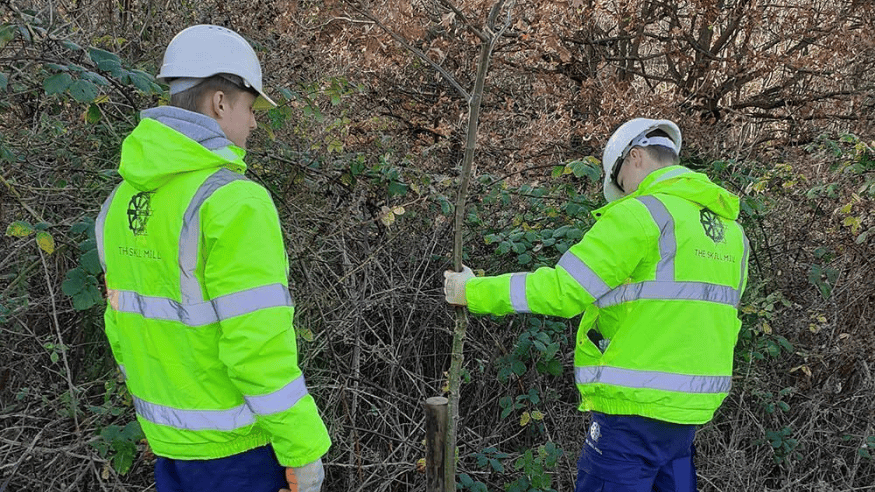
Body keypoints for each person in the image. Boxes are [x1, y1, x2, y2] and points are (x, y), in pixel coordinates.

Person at [444, 118, 749, 491]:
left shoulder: (642, 213)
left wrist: (472, 291)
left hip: (631, 415)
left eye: (620, 182)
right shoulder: (732, 233)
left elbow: (562, 290)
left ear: (635, 157)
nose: (623, 193)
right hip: (686, 420)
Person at [95, 25, 330, 492]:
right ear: (220, 102)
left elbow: (121, 330)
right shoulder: (235, 202)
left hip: (171, 451)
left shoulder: (119, 202)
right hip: (241, 455)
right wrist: (303, 450)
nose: (256, 123)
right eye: (250, 107)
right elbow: (257, 348)